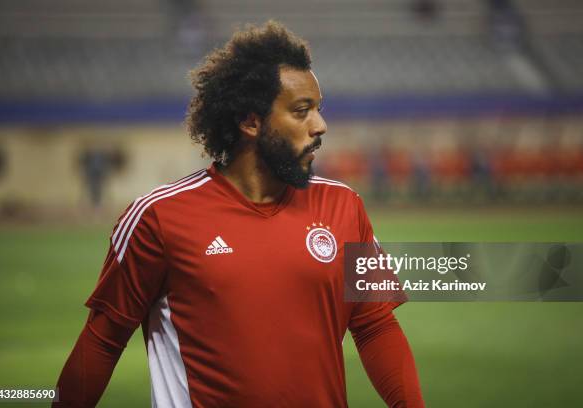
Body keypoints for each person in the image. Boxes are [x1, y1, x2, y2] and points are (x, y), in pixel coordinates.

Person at [54, 21, 424, 407]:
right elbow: (102, 342)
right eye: (302, 111)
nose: (321, 125)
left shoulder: (344, 206)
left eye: (318, 108)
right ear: (251, 122)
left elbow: (375, 326)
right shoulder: (158, 217)